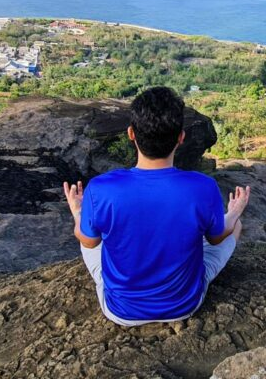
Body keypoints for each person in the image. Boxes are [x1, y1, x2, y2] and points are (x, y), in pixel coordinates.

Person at [62, 86, 250, 326]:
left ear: (131, 133)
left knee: (90, 232)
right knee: (234, 225)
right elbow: (215, 239)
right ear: (181, 137)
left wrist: (78, 212)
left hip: (121, 311)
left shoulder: (101, 188)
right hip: (184, 306)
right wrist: (234, 213)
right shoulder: (203, 187)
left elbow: (89, 242)